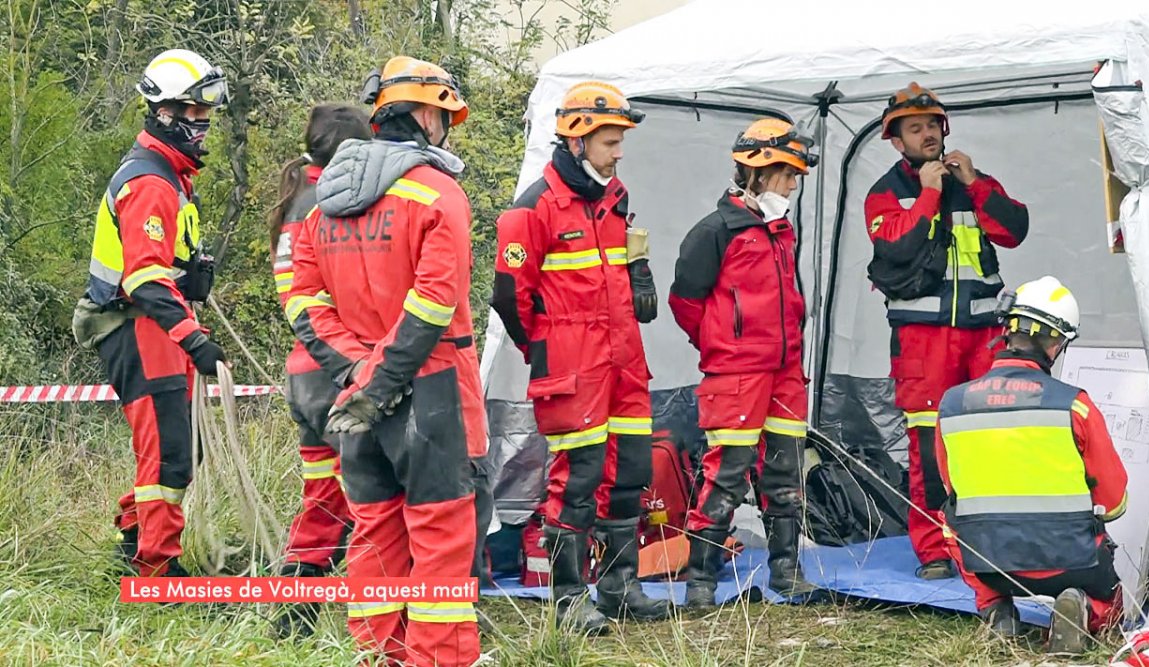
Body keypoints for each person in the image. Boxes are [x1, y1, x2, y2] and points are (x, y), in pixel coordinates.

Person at [286, 56, 483, 666]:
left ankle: (376, 657)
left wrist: (357, 374)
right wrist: (384, 379)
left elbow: (304, 303)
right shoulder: (438, 193)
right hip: (432, 390)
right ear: (427, 114)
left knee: (374, 532)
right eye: (445, 116)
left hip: (353, 397)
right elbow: (434, 302)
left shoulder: (321, 208)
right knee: (441, 538)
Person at [490, 81, 670, 633]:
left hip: (624, 364)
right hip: (573, 369)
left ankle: (619, 588)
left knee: (630, 472)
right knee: (577, 480)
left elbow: (618, 267)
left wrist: (640, 272)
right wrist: (546, 349)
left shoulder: (613, 198)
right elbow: (509, 298)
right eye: (610, 142)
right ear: (576, 139)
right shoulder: (532, 209)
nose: (619, 153)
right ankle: (570, 598)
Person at [864, 82, 1030, 579]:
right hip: (923, 339)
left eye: (933, 125)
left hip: (984, 335)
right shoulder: (885, 193)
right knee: (928, 446)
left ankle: (990, 545)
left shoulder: (974, 182)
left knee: (992, 437)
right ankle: (935, 548)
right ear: (897, 141)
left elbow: (1013, 231)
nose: (928, 135)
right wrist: (930, 193)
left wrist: (973, 182)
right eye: (915, 128)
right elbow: (896, 247)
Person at [73, 48, 228, 578]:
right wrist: (194, 339)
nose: (203, 123)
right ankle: (156, 570)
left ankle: (135, 531)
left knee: (183, 447)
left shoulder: (170, 174)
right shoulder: (151, 183)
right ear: (165, 112)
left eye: (206, 112)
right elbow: (143, 278)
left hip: (156, 325)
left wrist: (191, 282)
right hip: (137, 326)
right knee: (167, 453)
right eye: (195, 111)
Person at [668, 119, 818, 607]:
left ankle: (786, 572)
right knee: (727, 474)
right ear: (758, 172)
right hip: (737, 375)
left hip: (786, 372)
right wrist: (723, 345)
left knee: (786, 472)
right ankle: (701, 583)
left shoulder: (780, 230)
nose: (792, 185)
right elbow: (685, 301)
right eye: (787, 175)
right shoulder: (715, 231)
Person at [934, 276, 1128, 653]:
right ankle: (1084, 608)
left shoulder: (952, 404)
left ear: (1006, 331)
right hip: (1069, 563)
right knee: (1112, 601)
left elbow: (951, 487)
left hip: (987, 562)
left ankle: (996, 610)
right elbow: (1114, 501)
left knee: (952, 518)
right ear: (1056, 343)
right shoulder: (1075, 406)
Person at [267, 102, 371, 638]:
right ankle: (379, 615)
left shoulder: (297, 201)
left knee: (324, 499)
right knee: (373, 499)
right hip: (335, 370)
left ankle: (294, 614)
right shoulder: (328, 205)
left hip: (304, 373)